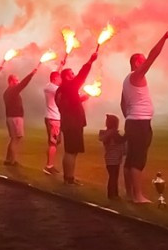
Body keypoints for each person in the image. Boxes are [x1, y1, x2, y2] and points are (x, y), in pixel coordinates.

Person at [121, 29, 168, 203]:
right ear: (137, 63)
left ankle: (130, 194)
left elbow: (123, 104)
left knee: (130, 160)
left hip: (133, 122)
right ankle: (138, 196)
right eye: (142, 61)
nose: (145, 63)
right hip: (139, 123)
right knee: (138, 160)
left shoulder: (127, 80)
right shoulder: (136, 75)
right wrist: (164, 38)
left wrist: (129, 117)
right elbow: (153, 56)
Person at [54, 51, 98, 185]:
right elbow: (82, 75)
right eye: (72, 74)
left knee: (70, 151)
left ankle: (68, 177)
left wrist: (81, 98)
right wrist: (90, 61)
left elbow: (69, 103)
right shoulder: (69, 86)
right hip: (73, 123)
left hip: (68, 122)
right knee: (71, 152)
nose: (74, 76)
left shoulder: (61, 90)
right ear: (67, 76)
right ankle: (69, 179)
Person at [2, 63, 42, 166]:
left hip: (10, 117)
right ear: (11, 81)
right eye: (16, 80)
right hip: (15, 117)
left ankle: (8, 159)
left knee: (13, 138)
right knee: (16, 139)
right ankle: (13, 161)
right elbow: (24, 83)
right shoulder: (12, 90)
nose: (18, 82)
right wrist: (31, 74)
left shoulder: (7, 92)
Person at [98, 114, 126, 200]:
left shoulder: (106, 133)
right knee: (114, 177)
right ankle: (112, 195)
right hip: (115, 159)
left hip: (109, 159)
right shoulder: (114, 134)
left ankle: (114, 194)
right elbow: (121, 140)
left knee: (112, 176)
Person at [43, 71, 62, 175]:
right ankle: (49, 166)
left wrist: (60, 65)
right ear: (55, 79)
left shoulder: (48, 86)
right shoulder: (54, 89)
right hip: (54, 119)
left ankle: (49, 164)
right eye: (60, 78)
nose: (61, 80)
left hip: (50, 117)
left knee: (53, 143)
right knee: (53, 143)